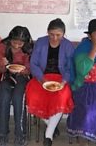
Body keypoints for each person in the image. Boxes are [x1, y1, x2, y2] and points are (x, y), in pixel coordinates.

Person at [26, 18, 75, 146]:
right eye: (51, 34)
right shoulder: (41, 42)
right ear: (47, 32)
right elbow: (33, 64)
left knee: (61, 96)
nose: (54, 38)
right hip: (41, 77)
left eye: (58, 35)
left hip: (61, 78)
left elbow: (70, 67)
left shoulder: (68, 45)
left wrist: (64, 82)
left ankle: (48, 136)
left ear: (63, 34)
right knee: (33, 96)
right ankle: (52, 125)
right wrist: (42, 79)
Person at [0, 26, 34, 146]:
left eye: (20, 43)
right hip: (6, 76)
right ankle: (2, 133)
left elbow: (29, 70)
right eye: (14, 42)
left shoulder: (29, 48)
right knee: (3, 96)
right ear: (10, 38)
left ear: (25, 42)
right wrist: (3, 64)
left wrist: (22, 71)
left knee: (18, 98)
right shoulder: (3, 46)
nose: (17, 45)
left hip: (23, 77)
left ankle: (20, 133)